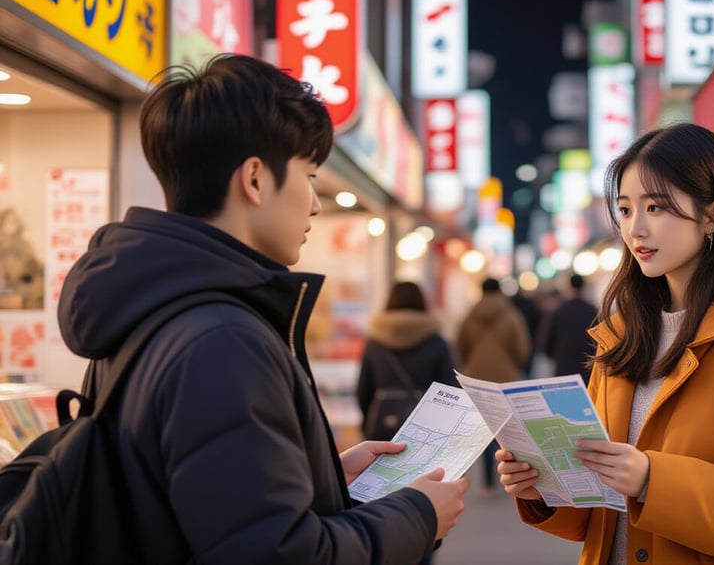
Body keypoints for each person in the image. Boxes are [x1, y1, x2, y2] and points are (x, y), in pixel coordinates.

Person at [56, 54, 468, 564]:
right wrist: (418, 515)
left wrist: (323, 477)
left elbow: (200, 502)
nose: (315, 203)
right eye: (310, 176)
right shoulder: (221, 338)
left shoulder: (152, 305)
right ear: (254, 179)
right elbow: (276, 554)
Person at [496, 123, 714, 564]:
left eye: (656, 207)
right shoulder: (621, 338)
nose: (635, 228)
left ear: (713, 215)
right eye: (624, 210)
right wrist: (543, 487)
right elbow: (599, 519)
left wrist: (651, 481)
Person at [456, 277, 531, 492]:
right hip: (505, 378)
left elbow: (461, 346)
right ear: (500, 292)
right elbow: (522, 348)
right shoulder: (510, 315)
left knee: (483, 427)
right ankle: (510, 475)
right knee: (506, 428)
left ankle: (487, 479)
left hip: (476, 377)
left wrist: (471, 364)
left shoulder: (470, 316)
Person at [357, 281, 458, 440]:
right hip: (427, 427)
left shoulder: (374, 344)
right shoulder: (436, 343)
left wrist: (367, 423)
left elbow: (363, 390)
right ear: (422, 302)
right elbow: (450, 388)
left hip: (382, 423)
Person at [537, 273, 598, 384]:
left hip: (564, 366)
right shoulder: (592, 311)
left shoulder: (560, 310)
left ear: (569, 287)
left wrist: (552, 354)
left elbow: (547, 341)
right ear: (583, 287)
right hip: (587, 366)